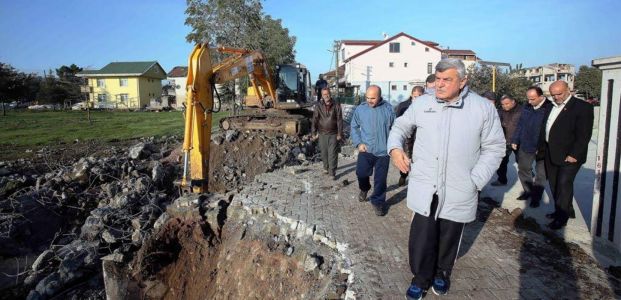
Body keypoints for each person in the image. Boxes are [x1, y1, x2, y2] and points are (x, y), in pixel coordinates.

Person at [387, 58, 505, 299]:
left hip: (459, 187)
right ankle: (420, 278)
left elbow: (495, 148)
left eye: (446, 80)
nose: (438, 85)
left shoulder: (483, 108)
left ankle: (442, 273)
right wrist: (395, 150)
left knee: (449, 237)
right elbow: (400, 128)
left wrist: (475, 180)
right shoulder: (423, 104)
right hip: (425, 184)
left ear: (463, 82)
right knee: (422, 237)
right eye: (437, 79)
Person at [540, 80, 594, 230]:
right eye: (553, 95)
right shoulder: (551, 106)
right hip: (551, 152)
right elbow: (546, 127)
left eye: (559, 94)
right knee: (554, 183)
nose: (556, 97)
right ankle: (566, 210)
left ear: (568, 90)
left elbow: (584, 135)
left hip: (570, 156)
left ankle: (561, 218)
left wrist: (574, 154)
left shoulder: (582, 107)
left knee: (563, 184)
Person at [350, 85, 395, 216]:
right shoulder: (361, 109)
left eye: (373, 98)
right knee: (361, 173)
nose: (370, 101)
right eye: (367, 97)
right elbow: (354, 127)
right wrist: (359, 143)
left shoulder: (388, 109)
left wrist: (393, 147)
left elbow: (396, 129)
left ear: (380, 96)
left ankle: (378, 203)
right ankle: (364, 188)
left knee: (380, 180)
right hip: (366, 150)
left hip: (383, 152)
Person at [510, 87, 552, 208]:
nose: (529, 102)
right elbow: (521, 124)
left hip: (543, 147)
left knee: (541, 174)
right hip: (526, 144)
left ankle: (536, 197)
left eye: (532, 99)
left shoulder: (549, 108)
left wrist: (542, 146)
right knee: (523, 168)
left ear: (541, 96)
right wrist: (515, 139)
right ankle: (528, 191)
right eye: (528, 99)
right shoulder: (527, 107)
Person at [395, 86, 424, 186]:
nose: (417, 98)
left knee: (419, 160)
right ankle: (403, 175)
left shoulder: (426, 106)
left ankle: (417, 181)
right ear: (411, 95)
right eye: (415, 96)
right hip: (408, 138)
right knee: (407, 158)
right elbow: (398, 122)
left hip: (420, 137)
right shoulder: (403, 106)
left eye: (419, 96)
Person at [312, 87, 343, 180]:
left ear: (330, 94)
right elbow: (315, 119)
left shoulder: (336, 105)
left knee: (332, 153)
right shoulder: (318, 106)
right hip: (322, 133)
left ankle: (332, 172)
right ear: (322, 96)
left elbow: (339, 120)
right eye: (324, 94)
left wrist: (339, 133)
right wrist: (313, 132)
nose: (326, 96)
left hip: (333, 134)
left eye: (328, 94)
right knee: (324, 153)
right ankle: (326, 167)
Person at [491, 95, 523, 186]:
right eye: (502, 104)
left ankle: (529, 177)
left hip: (518, 142)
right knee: (501, 162)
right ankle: (501, 180)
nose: (505, 106)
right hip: (504, 141)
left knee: (522, 162)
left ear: (513, 101)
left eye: (507, 103)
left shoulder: (522, 110)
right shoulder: (500, 111)